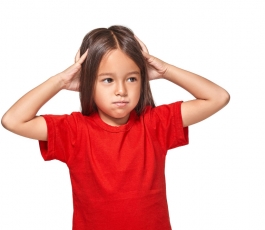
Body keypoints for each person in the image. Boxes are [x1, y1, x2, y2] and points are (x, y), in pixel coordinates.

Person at [1, 25, 230, 230]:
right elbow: (13, 120)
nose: (121, 90)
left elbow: (218, 97)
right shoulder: (74, 130)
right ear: (89, 82)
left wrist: (164, 70)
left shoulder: (155, 123)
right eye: (108, 80)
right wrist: (60, 81)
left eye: (131, 79)